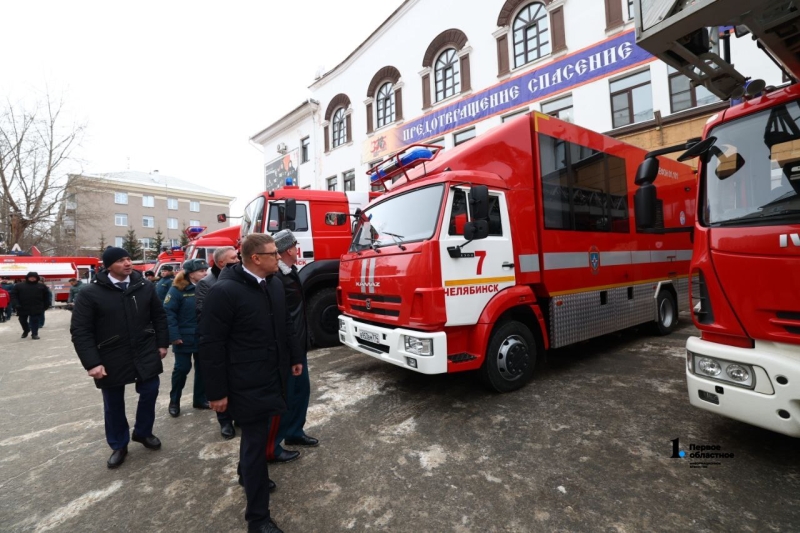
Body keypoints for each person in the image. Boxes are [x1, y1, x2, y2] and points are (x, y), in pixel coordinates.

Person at [199, 234, 302, 533]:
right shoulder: (225, 292)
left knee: (258, 442)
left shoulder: (274, 284)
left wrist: (295, 356)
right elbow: (211, 345)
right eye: (273, 254)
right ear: (256, 258)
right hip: (245, 382)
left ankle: (246, 473)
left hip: (274, 375)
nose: (279, 257)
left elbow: (285, 324)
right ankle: (257, 520)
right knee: (256, 446)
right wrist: (216, 392)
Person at [70, 247, 169, 469]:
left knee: (150, 391)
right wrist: (92, 362)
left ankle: (143, 433)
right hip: (110, 354)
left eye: (128, 259)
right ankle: (119, 443)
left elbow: (159, 316)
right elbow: (81, 330)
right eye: (121, 260)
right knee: (113, 402)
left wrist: (162, 343)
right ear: (108, 266)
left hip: (144, 349)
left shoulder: (144, 286)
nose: (127, 263)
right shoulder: (90, 293)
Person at [267, 230, 318, 464]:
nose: (297, 249)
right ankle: (274, 445)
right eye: (295, 246)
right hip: (288, 349)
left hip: (298, 345)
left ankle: (294, 433)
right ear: (289, 249)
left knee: (301, 391)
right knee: (286, 395)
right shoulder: (276, 278)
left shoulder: (290, 273)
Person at [195, 245, 240, 440]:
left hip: (238, 341)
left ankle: (239, 415)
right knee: (221, 381)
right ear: (222, 263)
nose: (238, 259)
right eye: (233, 258)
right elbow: (205, 314)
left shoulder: (239, 278)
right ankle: (224, 421)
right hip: (220, 340)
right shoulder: (206, 283)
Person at [164, 258, 211, 418]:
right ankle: (174, 401)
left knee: (203, 370)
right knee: (182, 369)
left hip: (203, 336)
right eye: (201, 271)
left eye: (206, 270)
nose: (205, 273)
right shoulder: (177, 290)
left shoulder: (206, 287)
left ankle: (199, 399)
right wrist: (174, 336)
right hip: (184, 338)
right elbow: (169, 314)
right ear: (191, 274)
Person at [11, 272, 50, 340]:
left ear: (37, 278)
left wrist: (46, 305)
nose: (32, 278)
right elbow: (14, 295)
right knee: (22, 320)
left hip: (36, 306)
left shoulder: (41, 286)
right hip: (22, 306)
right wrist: (16, 304)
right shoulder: (19, 285)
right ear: (27, 277)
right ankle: (26, 330)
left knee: (35, 320)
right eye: (31, 277)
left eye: (34, 277)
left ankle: (34, 334)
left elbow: (46, 296)